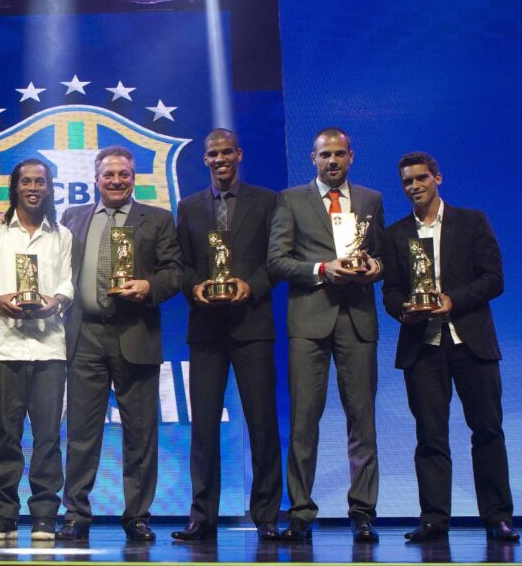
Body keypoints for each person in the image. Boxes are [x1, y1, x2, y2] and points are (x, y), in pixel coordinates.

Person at [381, 152, 517, 542]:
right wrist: (402, 310)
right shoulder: (395, 234)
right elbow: (389, 292)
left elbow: (494, 279)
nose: (414, 186)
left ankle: (497, 518)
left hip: (470, 342)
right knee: (430, 435)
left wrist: (452, 300)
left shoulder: (472, 222)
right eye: (407, 181)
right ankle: (434, 520)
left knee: (487, 431)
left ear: (438, 177)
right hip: (422, 346)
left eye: (421, 178)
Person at [58, 146, 182, 541]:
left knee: (141, 432)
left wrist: (149, 286)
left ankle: (138, 516)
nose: (116, 181)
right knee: (81, 431)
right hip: (85, 335)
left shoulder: (158, 219)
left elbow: (175, 271)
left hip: (135, 332)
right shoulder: (72, 218)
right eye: (108, 174)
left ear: (134, 178)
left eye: (123, 175)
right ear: (95, 178)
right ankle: (76, 514)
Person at [268, 127, 384, 542]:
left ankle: (363, 512)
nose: (332, 161)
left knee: (362, 420)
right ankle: (301, 512)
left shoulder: (371, 200)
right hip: (309, 321)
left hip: (357, 320)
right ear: (312, 159)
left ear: (351, 156)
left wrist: (375, 268)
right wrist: (321, 269)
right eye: (324, 155)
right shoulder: (291, 200)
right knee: (303, 420)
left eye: (339, 154)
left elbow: (382, 256)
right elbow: (278, 262)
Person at [172, 130, 282, 541]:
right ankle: (202, 517)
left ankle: (267, 516)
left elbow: (277, 261)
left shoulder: (268, 201)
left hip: (252, 326)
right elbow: (181, 263)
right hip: (206, 330)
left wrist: (250, 285)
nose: (220, 159)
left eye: (226, 152)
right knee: (203, 427)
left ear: (239, 153)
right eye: (212, 154)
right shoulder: (189, 206)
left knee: (262, 424)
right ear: (204, 160)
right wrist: (195, 286)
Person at [0, 159, 74, 540]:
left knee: (47, 437)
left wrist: (53, 302)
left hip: (47, 349)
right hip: (0, 347)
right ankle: (3, 515)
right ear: (15, 188)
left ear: (49, 188)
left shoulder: (62, 235)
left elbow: (67, 286)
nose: (33, 187)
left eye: (40, 181)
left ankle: (44, 515)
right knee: (3, 437)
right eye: (26, 181)